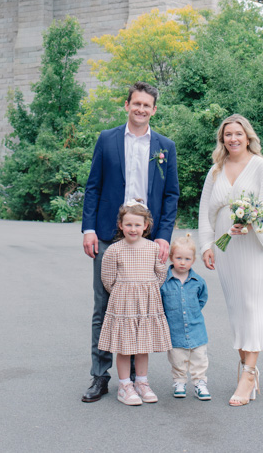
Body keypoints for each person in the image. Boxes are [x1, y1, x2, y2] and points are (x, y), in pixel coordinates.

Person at [81, 81, 180, 403]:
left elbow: (171, 195)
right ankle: (101, 376)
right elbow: (94, 186)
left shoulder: (165, 146)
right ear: (127, 105)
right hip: (109, 236)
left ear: (154, 109)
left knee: (144, 307)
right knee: (104, 306)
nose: (141, 109)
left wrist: (164, 237)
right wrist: (88, 229)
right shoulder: (107, 139)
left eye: (147, 105)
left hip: (149, 239)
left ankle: (138, 378)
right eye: (136, 104)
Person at [198, 114, 263, 406]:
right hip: (226, 250)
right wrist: (206, 246)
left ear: (248, 137)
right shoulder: (216, 170)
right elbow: (205, 213)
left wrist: (251, 226)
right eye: (227, 135)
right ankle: (248, 368)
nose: (233, 139)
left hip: (253, 247)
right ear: (222, 139)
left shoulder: (261, 167)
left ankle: (248, 375)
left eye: (238, 134)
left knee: (250, 305)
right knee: (235, 307)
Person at [98, 200, 171, 405]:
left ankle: (141, 382)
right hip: (123, 304)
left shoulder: (152, 248)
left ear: (146, 225)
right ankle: (124, 385)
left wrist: (147, 289)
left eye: (137, 225)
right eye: (128, 224)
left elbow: (160, 273)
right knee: (124, 346)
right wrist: (125, 292)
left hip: (147, 303)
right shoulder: (114, 250)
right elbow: (108, 279)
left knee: (142, 345)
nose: (133, 229)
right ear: (120, 225)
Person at [160, 233, 211, 401]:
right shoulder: (164, 282)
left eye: (187, 259)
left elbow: (202, 298)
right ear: (171, 258)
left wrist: (193, 311)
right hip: (174, 330)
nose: (183, 262)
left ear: (193, 260)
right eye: (179, 258)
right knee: (177, 359)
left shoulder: (198, 281)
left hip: (196, 328)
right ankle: (179, 382)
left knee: (199, 358)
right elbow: (160, 302)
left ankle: (200, 383)